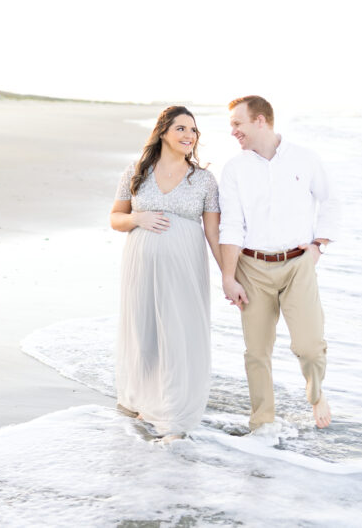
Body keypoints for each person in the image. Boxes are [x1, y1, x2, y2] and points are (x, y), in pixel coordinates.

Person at [219, 95, 340, 431]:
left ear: (261, 121)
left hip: (298, 264)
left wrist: (319, 245)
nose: (233, 132)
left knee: (310, 346)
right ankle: (262, 422)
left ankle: (316, 393)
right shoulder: (234, 169)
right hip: (251, 268)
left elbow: (330, 203)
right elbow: (231, 226)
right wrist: (229, 277)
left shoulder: (305, 159)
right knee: (257, 352)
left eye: (237, 124)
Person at [110, 106, 222, 439]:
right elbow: (115, 218)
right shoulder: (136, 171)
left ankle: (174, 416)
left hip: (185, 269)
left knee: (178, 336)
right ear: (163, 132)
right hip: (139, 266)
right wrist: (137, 219)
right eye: (181, 129)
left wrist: (231, 276)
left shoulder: (204, 179)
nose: (189, 135)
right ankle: (144, 404)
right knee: (143, 336)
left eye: (193, 130)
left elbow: (215, 235)